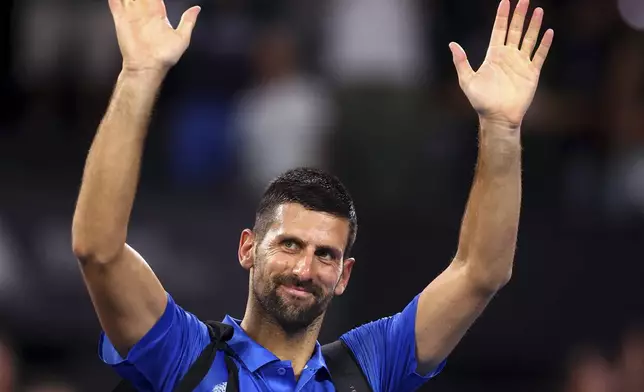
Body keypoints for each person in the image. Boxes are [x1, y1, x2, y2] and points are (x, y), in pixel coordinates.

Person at [71, 0, 553, 391]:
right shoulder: (186, 355)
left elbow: (481, 271)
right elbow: (99, 251)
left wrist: (501, 126)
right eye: (289, 244)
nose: (305, 269)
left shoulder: (369, 368)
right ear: (247, 248)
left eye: (326, 255)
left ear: (344, 275)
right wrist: (138, 75)